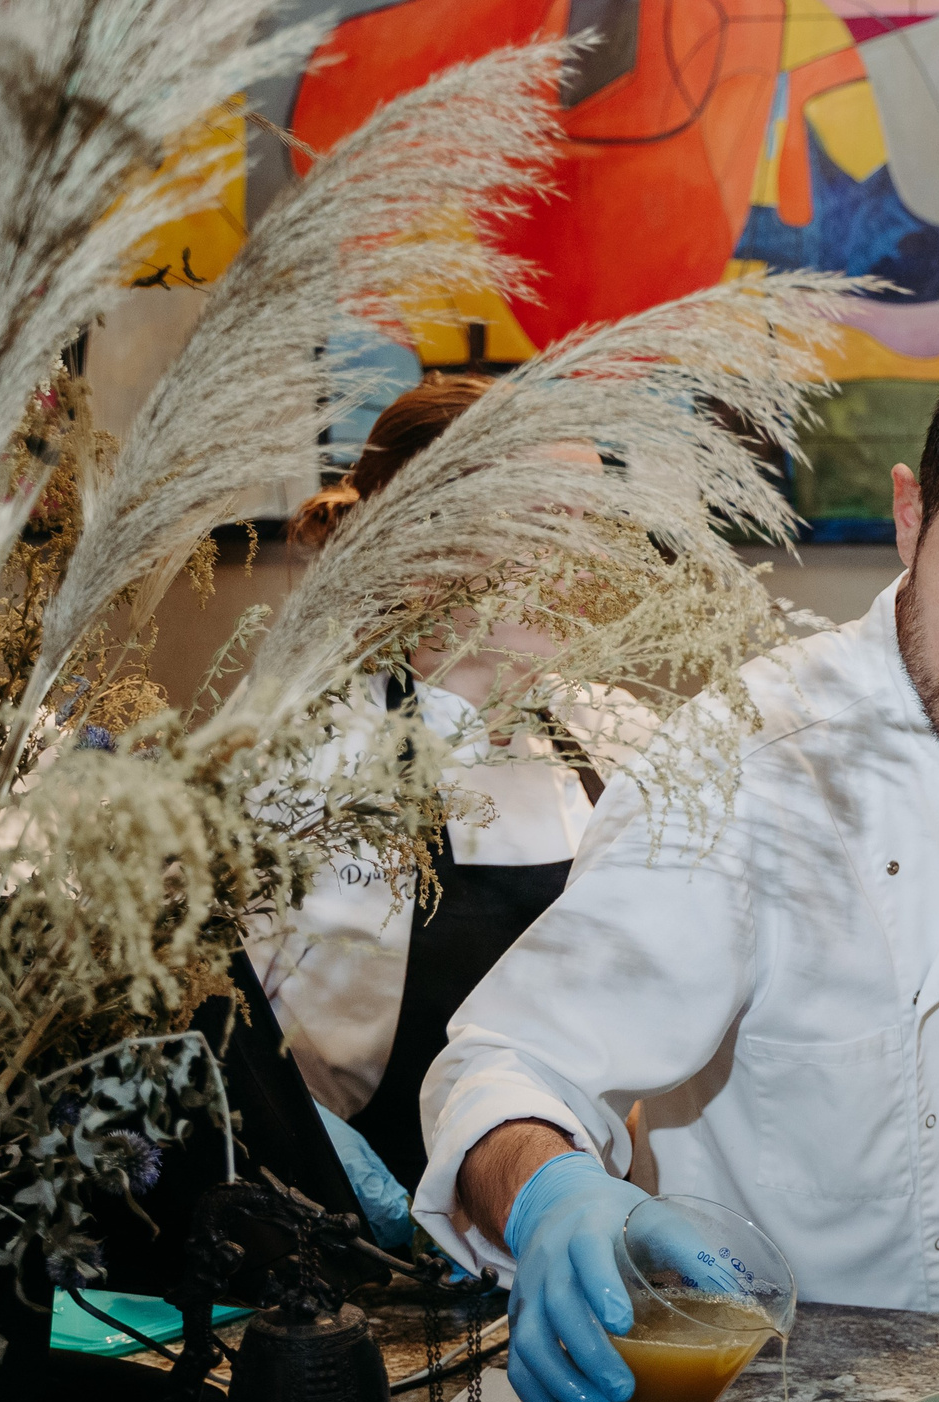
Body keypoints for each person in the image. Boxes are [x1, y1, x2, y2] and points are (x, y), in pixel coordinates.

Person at [410, 351, 939, 1402]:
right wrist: (548, 1195)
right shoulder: (741, 766)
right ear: (912, 516)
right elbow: (508, 1064)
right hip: (776, 1390)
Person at [250, 374, 645, 1198]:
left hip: (581, 1215)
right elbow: (234, 1060)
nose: (590, 558)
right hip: (366, 1243)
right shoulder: (299, 759)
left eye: (592, 520)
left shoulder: (620, 739)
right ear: (419, 543)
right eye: (547, 519)